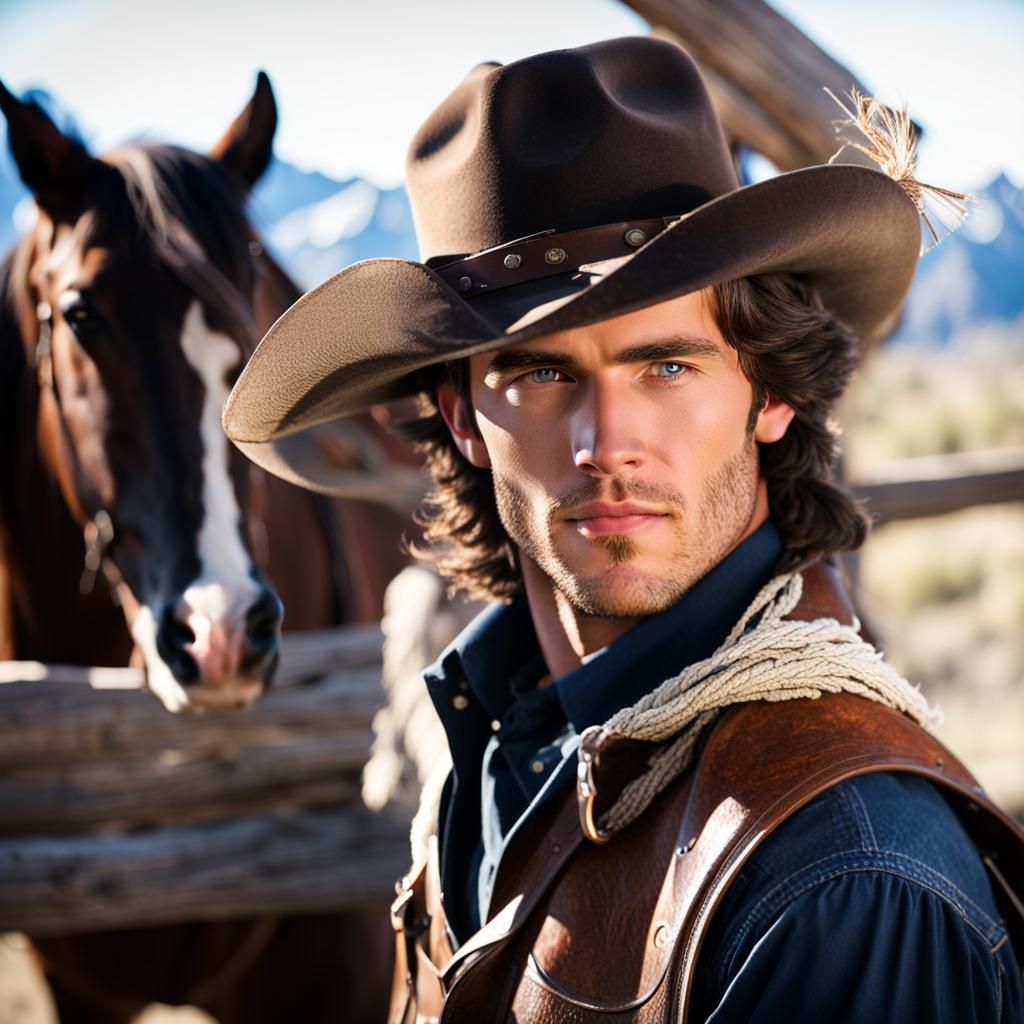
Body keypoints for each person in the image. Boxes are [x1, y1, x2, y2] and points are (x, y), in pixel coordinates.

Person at [223, 36, 1024, 1022]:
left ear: (771, 389)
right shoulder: (493, 740)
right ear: (464, 414)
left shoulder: (840, 880)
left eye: (667, 365)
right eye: (542, 372)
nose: (607, 444)